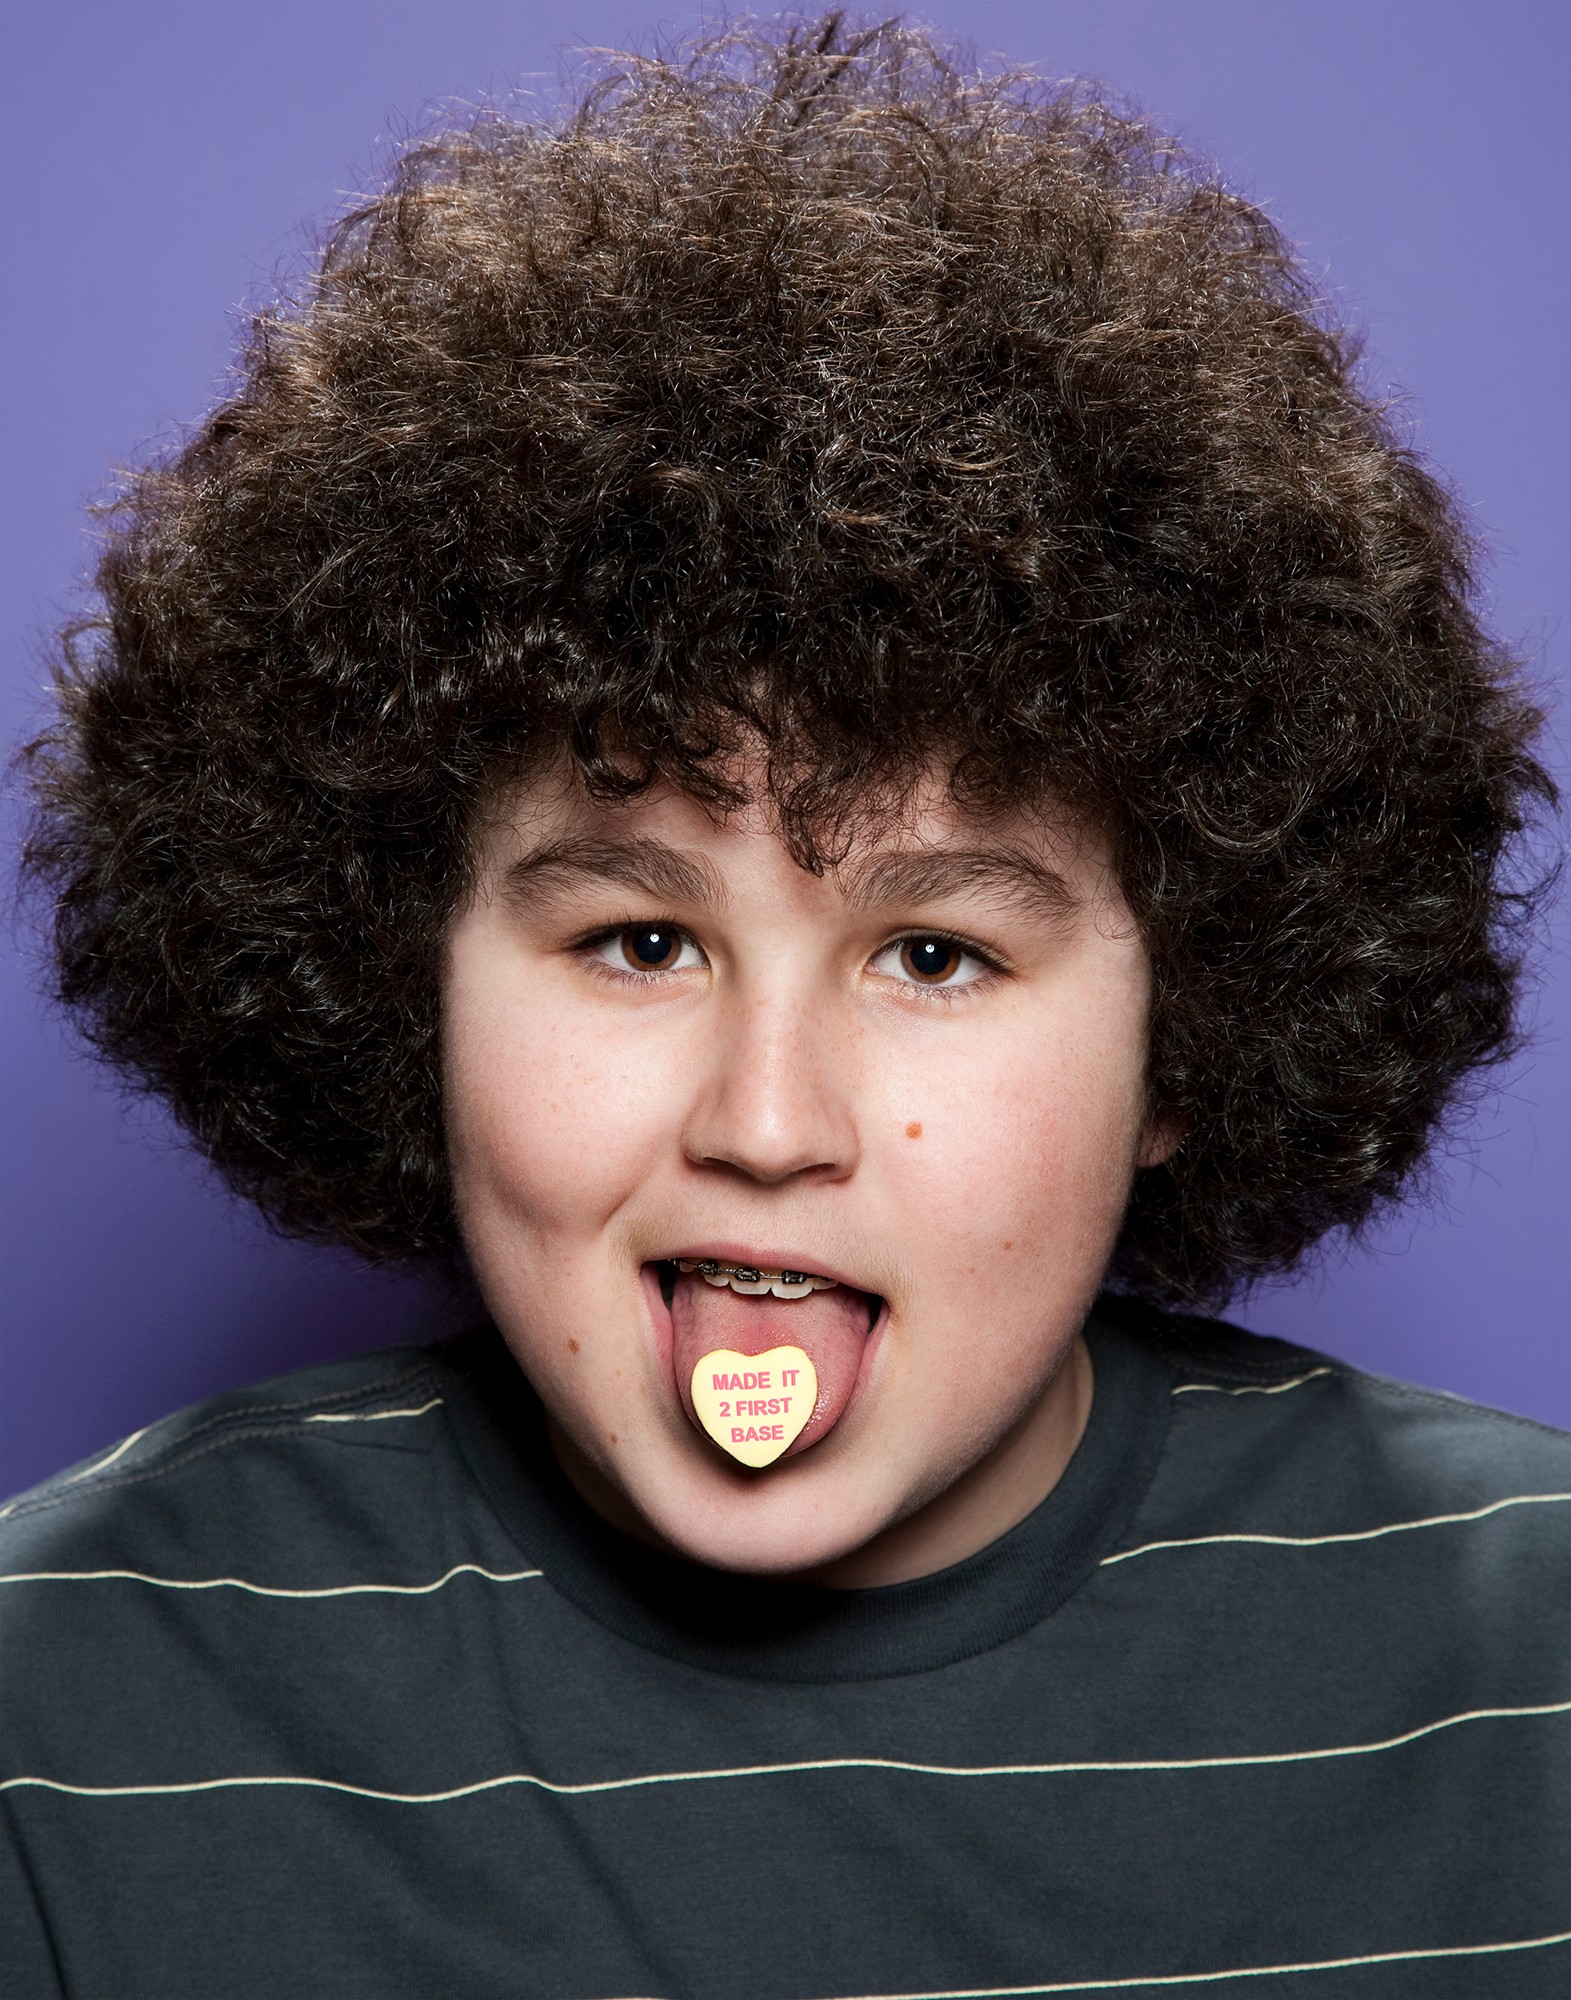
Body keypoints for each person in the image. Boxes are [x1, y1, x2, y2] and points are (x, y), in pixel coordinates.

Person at [3, 17, 1566, 1996]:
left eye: (935, 955)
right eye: (641, 942)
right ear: (406, 976)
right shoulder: (61, 1705)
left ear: (1190, 1032)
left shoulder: (1536, 1666)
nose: (766, 1121)